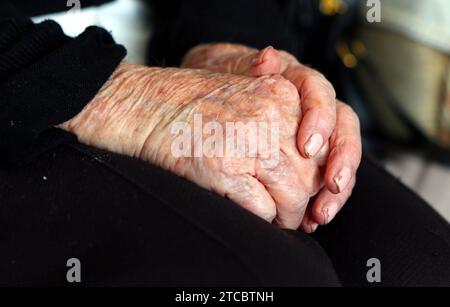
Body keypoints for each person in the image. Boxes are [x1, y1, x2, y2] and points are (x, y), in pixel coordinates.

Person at [1, 0, 450, 287]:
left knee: (420, 266)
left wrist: (226, 46)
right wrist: (122, 97)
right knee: (265, 281)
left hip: (154, 38)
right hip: (22, 82)